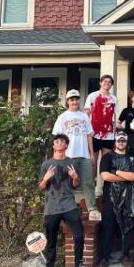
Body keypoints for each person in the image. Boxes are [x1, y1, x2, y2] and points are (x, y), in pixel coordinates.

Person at [38, 134, 93, 267]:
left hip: (69, 204)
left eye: (62, 141)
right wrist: (46, 178)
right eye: (56, 141)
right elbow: (41, 187)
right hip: (52, 207)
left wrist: (75, 177)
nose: (59, 143)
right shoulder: (47, 164)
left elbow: (75, 185)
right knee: (52, 241)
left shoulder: (71, 163)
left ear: (66, 145)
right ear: (53, 146)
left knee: (79, 235)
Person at [52, 89, 100, 221]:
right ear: (68, 101)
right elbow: (57, 139)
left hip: (84, 155)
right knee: (67, 183)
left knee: (88, 182)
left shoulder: (84, 116)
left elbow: (89, 136)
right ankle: (67, 210)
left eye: (76, 99)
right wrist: (57, 157)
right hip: (68, 156)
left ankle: (92, 209)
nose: (74, 102)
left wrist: (92, 154)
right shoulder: (62, 117)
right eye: (72, 99)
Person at [96, 132, 134, 267]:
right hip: (110, 196)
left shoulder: (133, 157)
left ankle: (125, 255)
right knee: (108, 226)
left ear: (127, 142)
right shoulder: (107, 157)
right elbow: (105, 176)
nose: (121, 142)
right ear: (115, 142)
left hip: (129, 197)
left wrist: (118, 173)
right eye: (119, 140)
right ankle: (104, 257)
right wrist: (124, 176)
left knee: (128, 226)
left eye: (124, 140)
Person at [84, 74, 117, 168]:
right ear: (100, 83)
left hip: (108, 135)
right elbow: (86, 113)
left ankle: (104, 183)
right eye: (105, 81)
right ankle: (91, 183)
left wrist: (114, 135)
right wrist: (86, 131)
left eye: (109, 82)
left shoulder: (114, 99)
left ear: (111, 85)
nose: (107, 83)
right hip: (94, 133)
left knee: (106, 163)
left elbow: (114, 118)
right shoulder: (92, 96)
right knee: (92, 163)